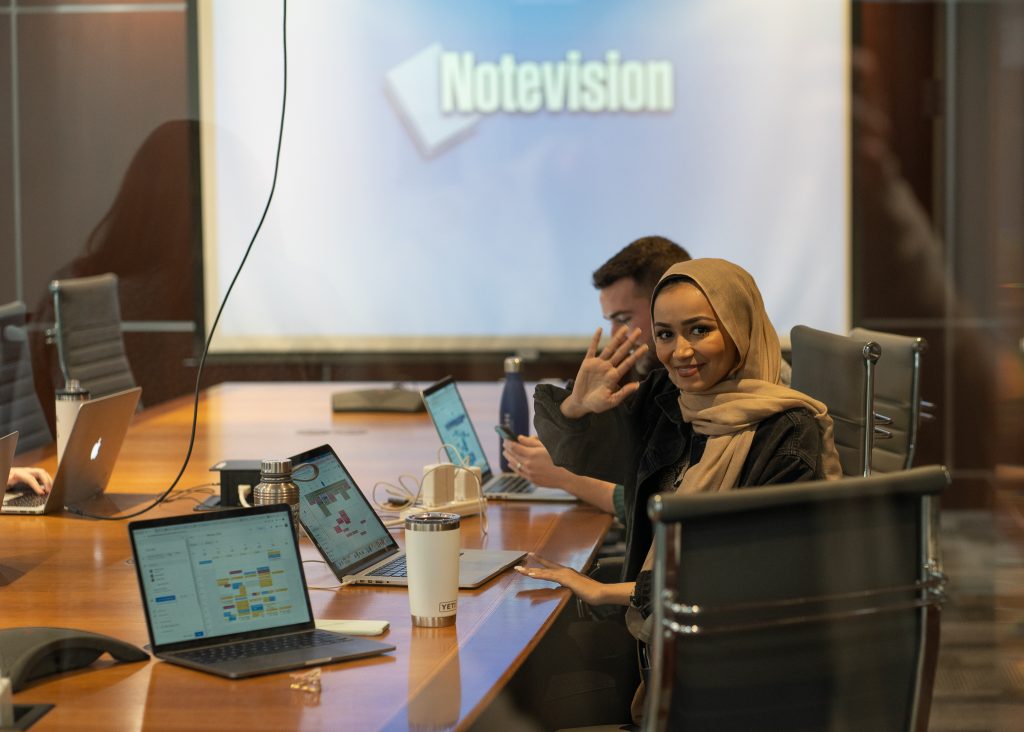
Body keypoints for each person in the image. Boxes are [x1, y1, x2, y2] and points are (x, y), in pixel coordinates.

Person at [515, 258, 842, 725]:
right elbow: (591, 456)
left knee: (518, 700)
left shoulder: (787, 434)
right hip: (658, 632)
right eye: (666, 334)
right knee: (521, 671)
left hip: (730, 669)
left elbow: (747, 582)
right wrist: (576, 407)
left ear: (739, 328)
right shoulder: (671, 398)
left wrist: (607, 592)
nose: (680, 352)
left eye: (700, 330)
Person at [502, 236, 691, 515]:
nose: (615, 334)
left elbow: (665, 504)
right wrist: (573, 418)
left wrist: (566, 475)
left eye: (624, 319)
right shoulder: (655, 380)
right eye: (611, 321)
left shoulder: (706, 383)